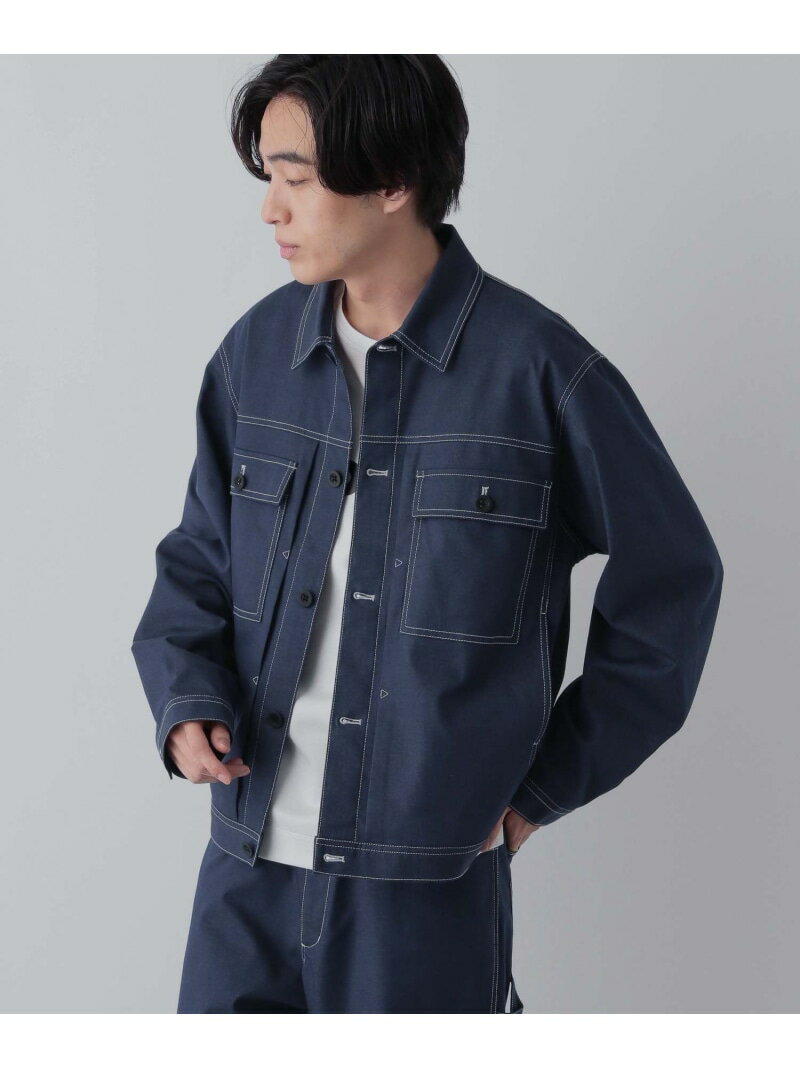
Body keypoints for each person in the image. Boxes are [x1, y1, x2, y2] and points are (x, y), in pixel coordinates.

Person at [130, 55, 724, 1014]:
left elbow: (675, 582)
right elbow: (199, 557)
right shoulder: (255, 357)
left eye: (295, 178)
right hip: (245, 871)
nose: (270, 210)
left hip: (425, 895)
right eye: (268, 179)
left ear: (393, 180)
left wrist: (543, 788)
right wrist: (185, 698)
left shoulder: (541, 372)